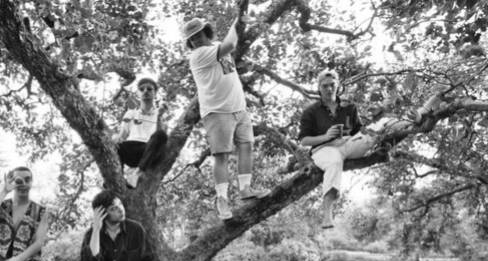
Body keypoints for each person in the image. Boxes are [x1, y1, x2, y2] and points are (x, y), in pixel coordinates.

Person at [299, 70, 442, 228]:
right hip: (324, 149)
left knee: (382, 123)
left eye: (332, 85)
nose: (329, 89)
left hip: (348, 144)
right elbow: (304, 140)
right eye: (325, 86)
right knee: (334, 162)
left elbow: (359, 132)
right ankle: (327, 216)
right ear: (319, 88)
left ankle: (421, 113)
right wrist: (325, 136)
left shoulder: (349, 107)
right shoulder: (311, 111)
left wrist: (371, 137)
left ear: (338, 85)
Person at [183, 17, 270, 220]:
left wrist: (245, 66)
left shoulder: (215, 47)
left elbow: (227, 68)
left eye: (198, 34)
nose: (196, 40)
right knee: (222, 155)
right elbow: (231, 44)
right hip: (217, 111)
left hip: (239, 108)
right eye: (192, 38)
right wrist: (237, 20)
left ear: (206, 31)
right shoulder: (198, 55)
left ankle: (245, 188)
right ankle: (222, 199)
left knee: (246, 145)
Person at [113, 78, 168, 188]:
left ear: (155, 93)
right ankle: (116, 177)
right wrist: (115, 137)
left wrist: (159, 116)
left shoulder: (161, 114)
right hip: (132, 150)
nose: (145, 91)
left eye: (149, 89)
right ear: (138, 93)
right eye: (142, 89)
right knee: (114, 143)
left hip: (150, 150)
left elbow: (161, 137)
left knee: (161, 134)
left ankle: (137, 174)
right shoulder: (131, 113)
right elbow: (122, 136)